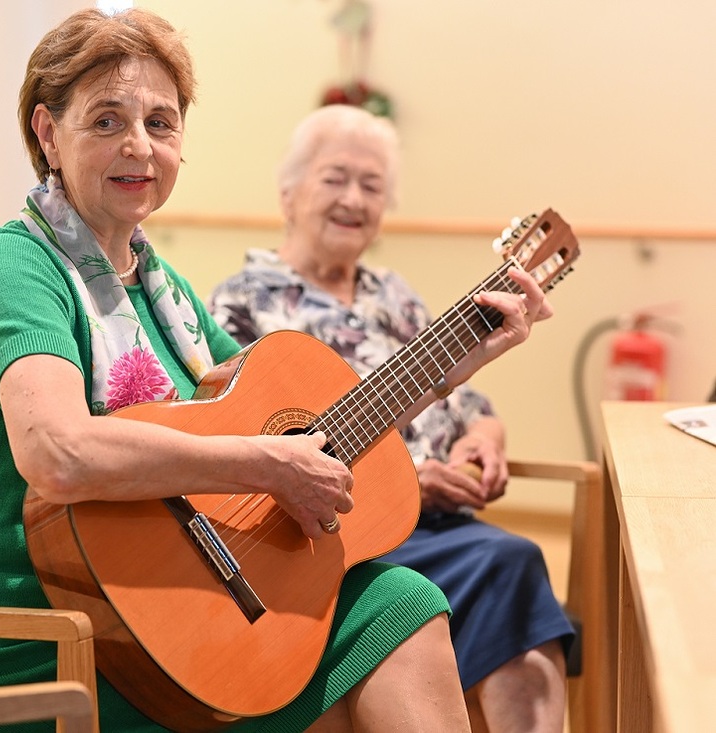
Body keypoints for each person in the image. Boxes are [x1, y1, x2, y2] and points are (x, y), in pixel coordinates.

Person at [0, 8, 553, 732]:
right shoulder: (12, 268)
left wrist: (449, 365)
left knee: (400, 601)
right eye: (106, 121)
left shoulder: (162, 290)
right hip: (39, 635)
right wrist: (264, 465)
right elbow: (57, 454)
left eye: (161, 123)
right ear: (46, 133)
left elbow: (313, 420)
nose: (139, 146)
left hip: (153, 608)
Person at [207, 103, 574, 733]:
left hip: (438, 528)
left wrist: (481, 445)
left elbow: (469, 406)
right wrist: (408, 476)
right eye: (335, 178)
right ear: (289, 194)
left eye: (372, 185)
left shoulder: (395, 296)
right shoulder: (239, 300)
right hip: (327, 539)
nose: (353, 198)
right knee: (502, 561)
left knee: (513, 558)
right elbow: (241, 439)